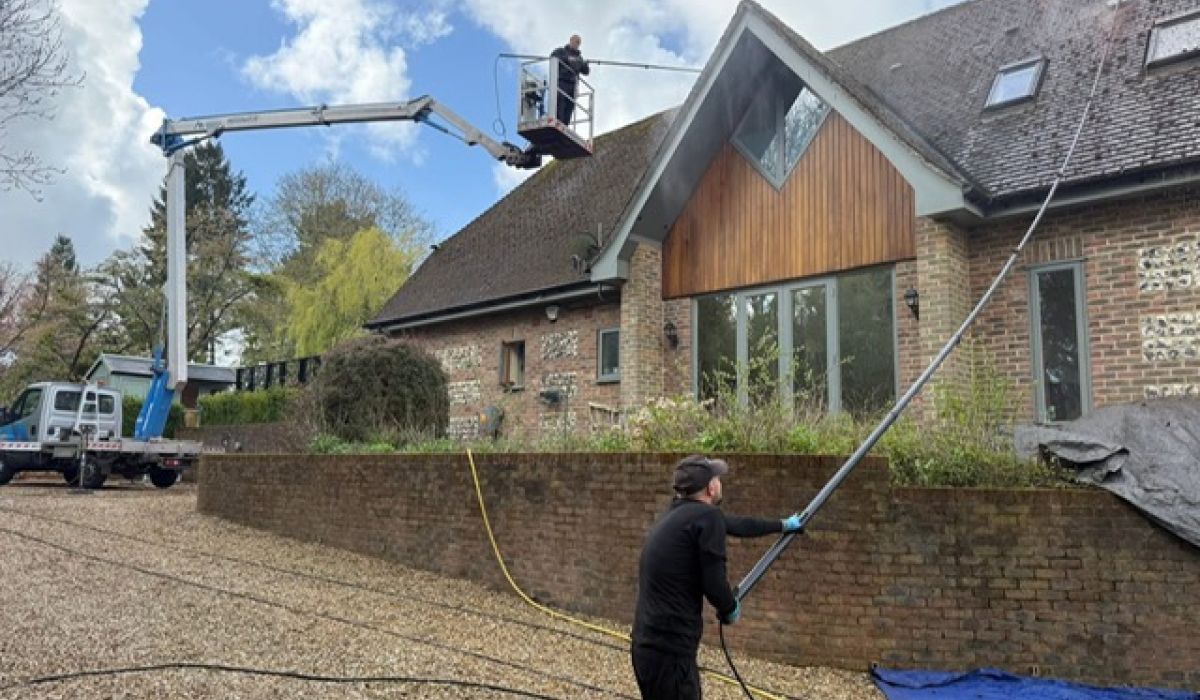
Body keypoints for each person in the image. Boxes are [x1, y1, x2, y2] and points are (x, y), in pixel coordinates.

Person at [631, 455, 802, 700]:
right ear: (711, 487)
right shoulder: (706, 518)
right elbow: (714, 583)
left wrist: (782, 525)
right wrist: (729, 608)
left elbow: (739, 525)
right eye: (717, 479)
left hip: (647, 647)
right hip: (670, 651)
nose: (720, 483)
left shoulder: (677, 515)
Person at [550, 34, 589, 125]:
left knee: (570, 106)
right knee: (560, 103)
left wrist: (585, 64)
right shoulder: (561, 51)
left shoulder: (580, 58)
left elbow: (586, 71)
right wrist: (568, 59)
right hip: (562, 81)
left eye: (578, 43)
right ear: (570, 40)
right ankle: (558, 122)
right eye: (575, 41)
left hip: (572, 85)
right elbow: (553, 57)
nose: (577, 44)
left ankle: (565, 125)